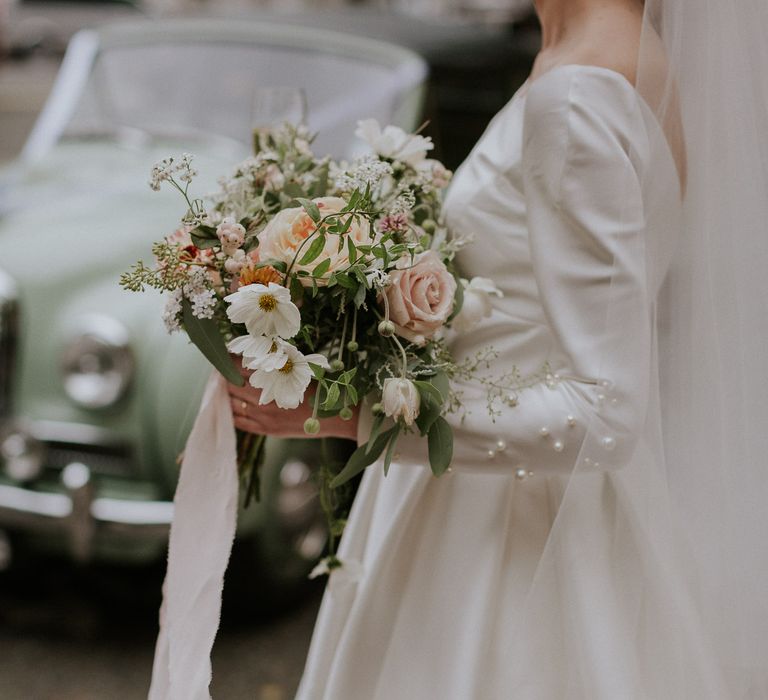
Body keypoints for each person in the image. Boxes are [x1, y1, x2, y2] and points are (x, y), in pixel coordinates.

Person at [227, 0, 768, 697]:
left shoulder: (578, 93)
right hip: (510, 493)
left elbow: (602, 413)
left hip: (509, 532)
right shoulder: (608, 56)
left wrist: (355, 415)